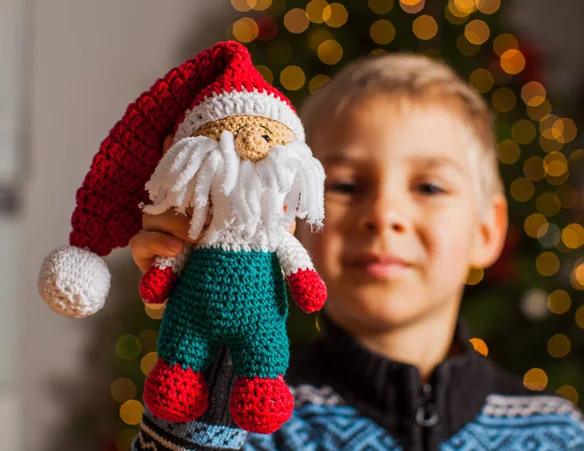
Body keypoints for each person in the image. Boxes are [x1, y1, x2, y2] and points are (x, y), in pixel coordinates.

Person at [130, 54, 584, 450]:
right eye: (346, 186)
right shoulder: (250, 420)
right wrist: (211, 354)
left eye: (429, 186)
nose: (383, 214)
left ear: (487, 231)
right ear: (294, 216)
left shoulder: (557, 432)